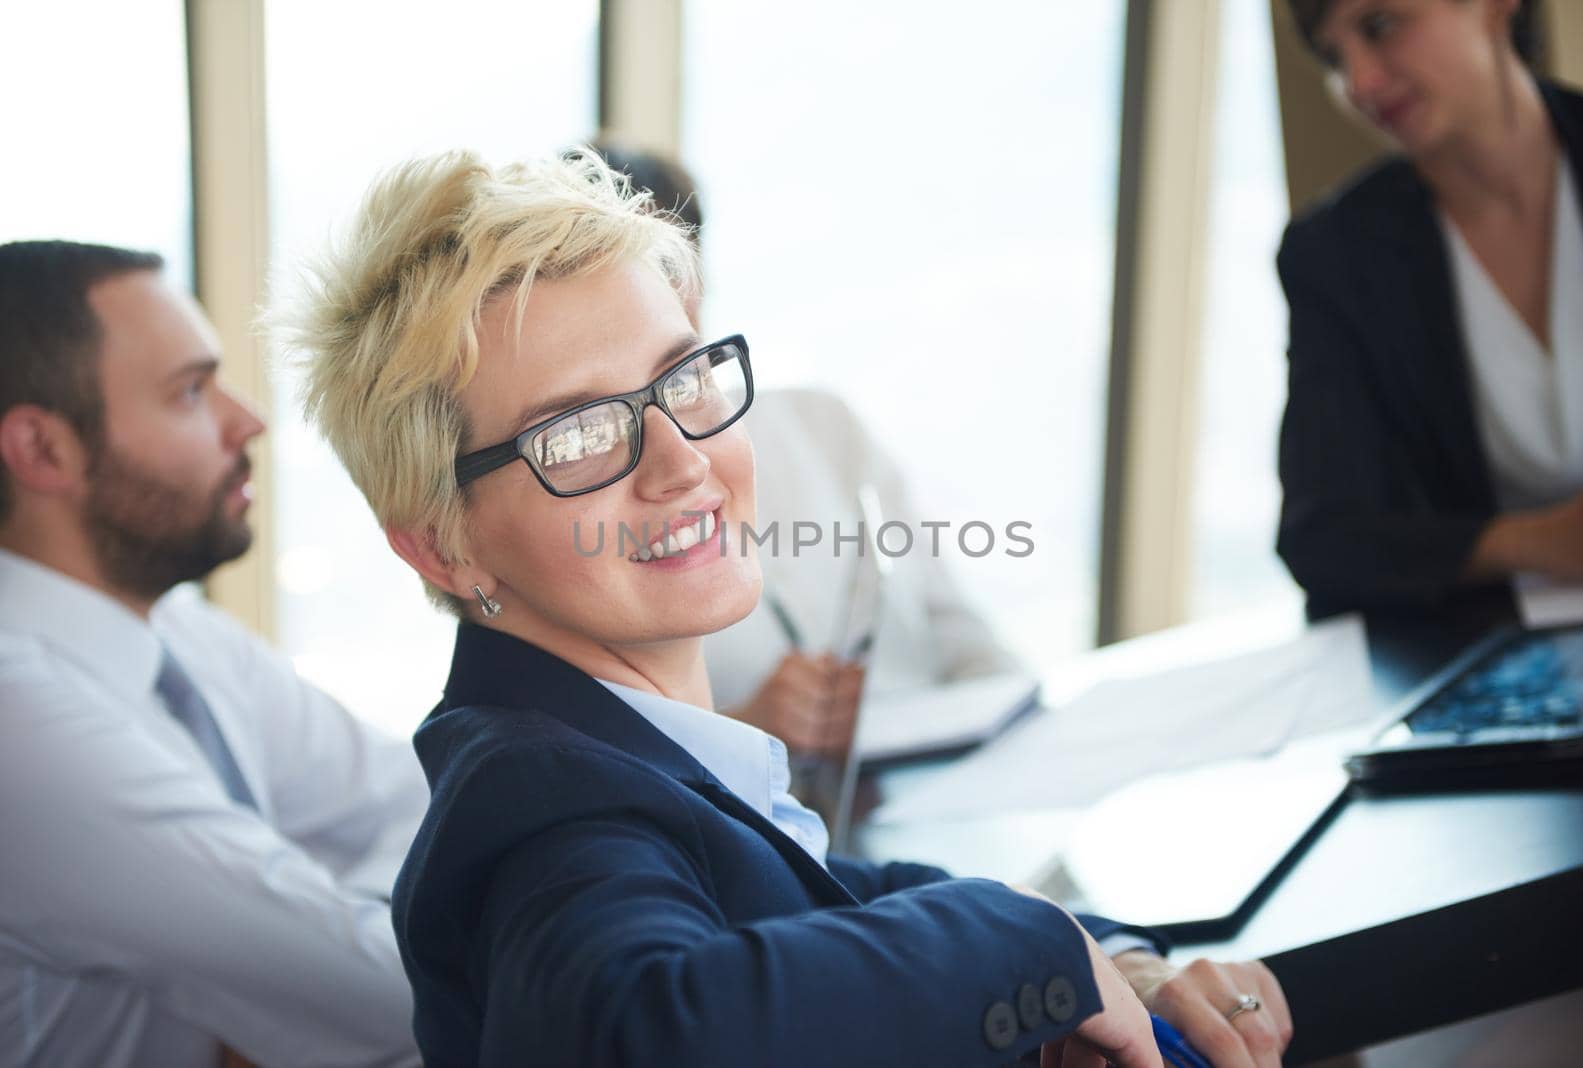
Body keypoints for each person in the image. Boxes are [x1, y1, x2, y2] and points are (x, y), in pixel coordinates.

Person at [286, 149, 1294, 1068]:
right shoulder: (541, 811)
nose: (681, 461)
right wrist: (1023, 943)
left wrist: (1105, 957)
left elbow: (829, 883)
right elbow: (643, 1032)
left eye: (680, 380)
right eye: (579, 434)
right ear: (440, 543)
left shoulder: (627, 754)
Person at [0, 240, 426, 1067]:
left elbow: (421, 798)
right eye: (190, 391)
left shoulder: (177, 628)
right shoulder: (16, 719)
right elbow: (387, 996)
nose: (249, 420)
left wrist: (271, 1006)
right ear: (43, 450)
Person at [595, 140, 1018, 757]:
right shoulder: (601, 509)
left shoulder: (824, 425)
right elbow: (603, 752)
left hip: (942, 790)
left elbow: (963, 637)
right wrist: (748, 732)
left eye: (669, 265)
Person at [1275, 0, 1583, 619]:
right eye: (1333, 56)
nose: (1360, 83)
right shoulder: (1337, 254)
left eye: (1380, 26)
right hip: (1509, 661)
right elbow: (1322, 536)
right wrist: (1535, 543)